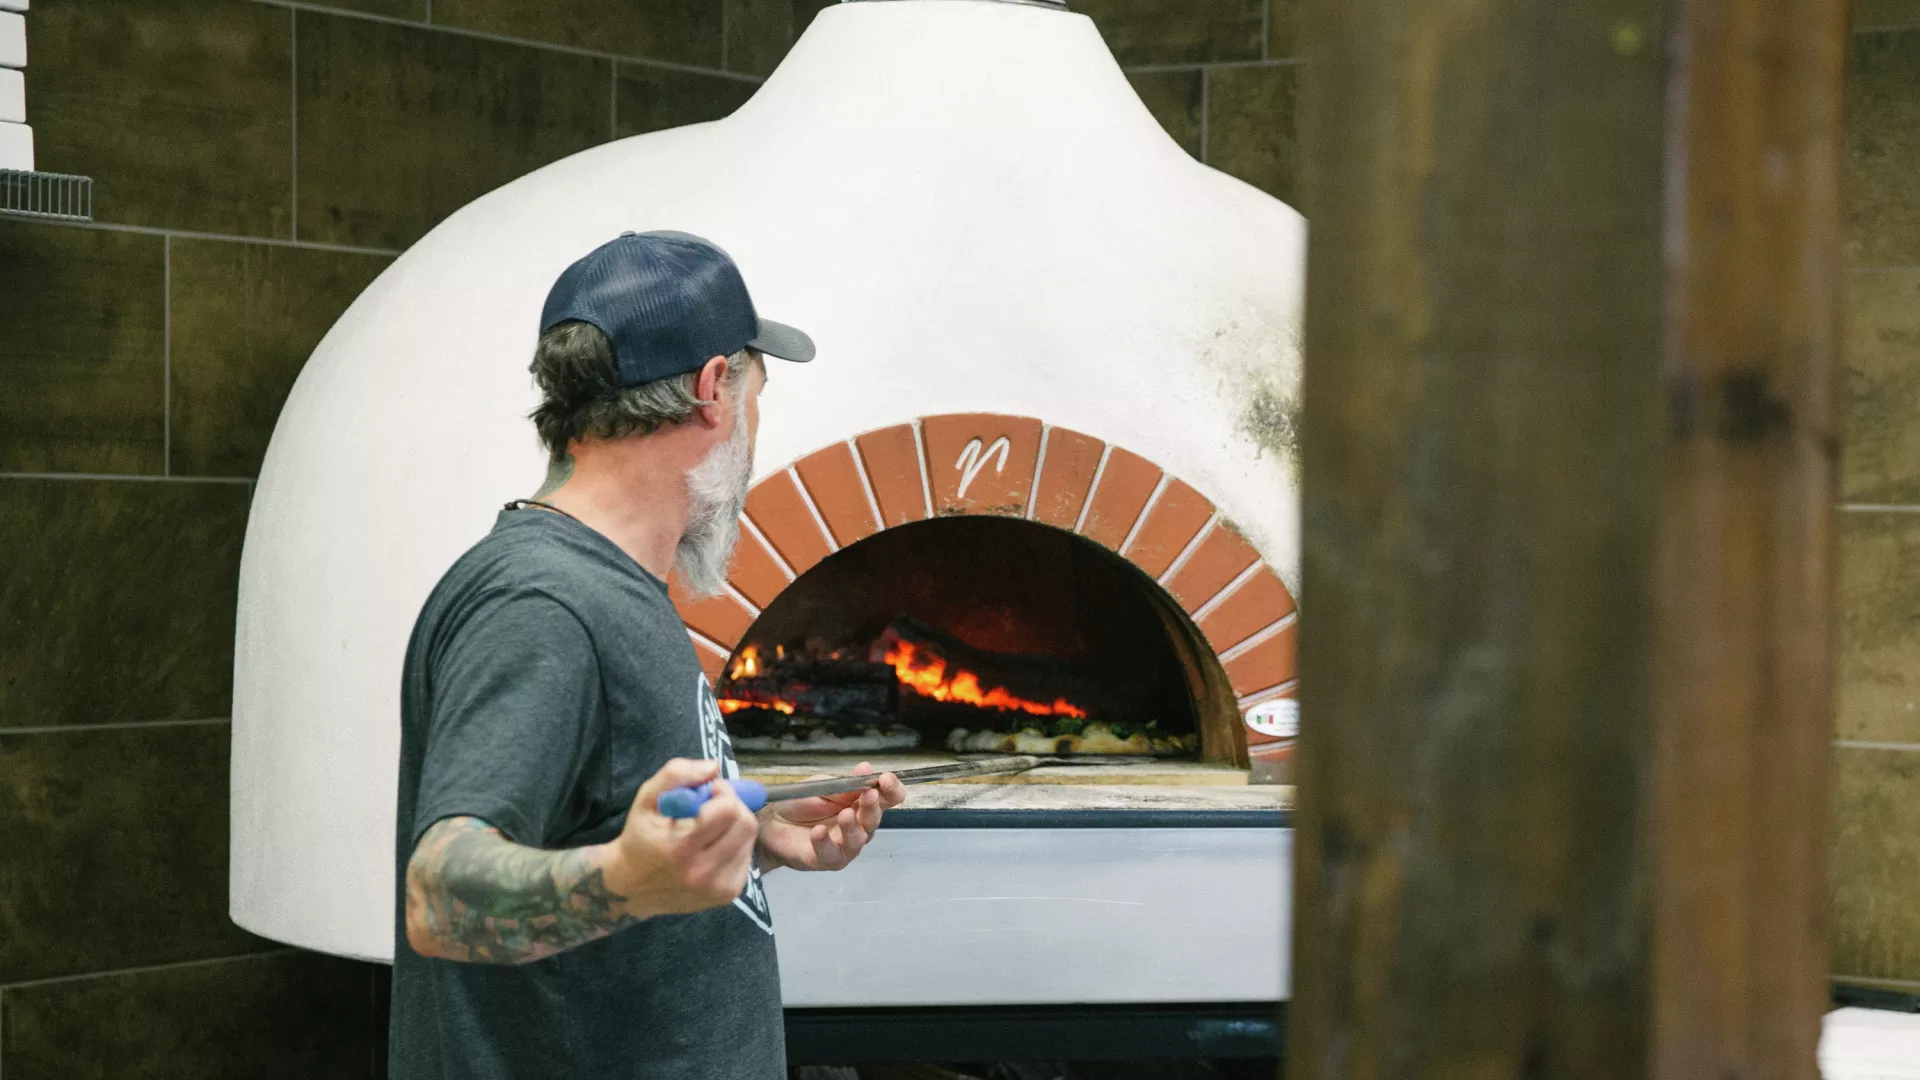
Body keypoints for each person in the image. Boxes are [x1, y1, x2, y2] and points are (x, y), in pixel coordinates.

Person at [388, 231, 907, 1079]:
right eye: (757, 394)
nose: (757, 429)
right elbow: (442, 895)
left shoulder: (611, 582)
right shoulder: (541, 604)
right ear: (714, 390)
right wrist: (629, 878)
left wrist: (749, 844)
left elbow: (598, 830)